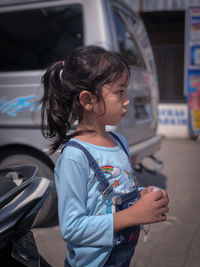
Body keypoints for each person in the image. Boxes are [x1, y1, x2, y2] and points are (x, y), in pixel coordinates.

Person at [41, 45, 169, 267]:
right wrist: (134, 215)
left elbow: (113, 195)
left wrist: (143, 195)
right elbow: (72, 229)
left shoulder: (119, 142)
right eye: (120, 92)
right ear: (88, 100)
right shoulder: (74, 157)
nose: (127, 99)